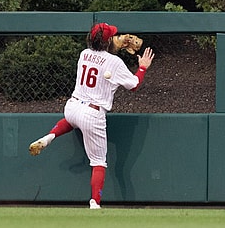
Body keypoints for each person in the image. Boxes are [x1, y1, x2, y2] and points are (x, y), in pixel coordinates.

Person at [28, 22, 155, 209]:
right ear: (107, 41)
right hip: (92, 113)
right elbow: (134, 84)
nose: (116, 38)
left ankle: (48, 138)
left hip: (72, 106)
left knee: (70, 122)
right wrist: (142, 67)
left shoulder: (84, 54)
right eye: (112, 36)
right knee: (98, 162)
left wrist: (111, 47)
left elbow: (101, 58)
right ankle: (95, 203)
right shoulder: (115, 62)